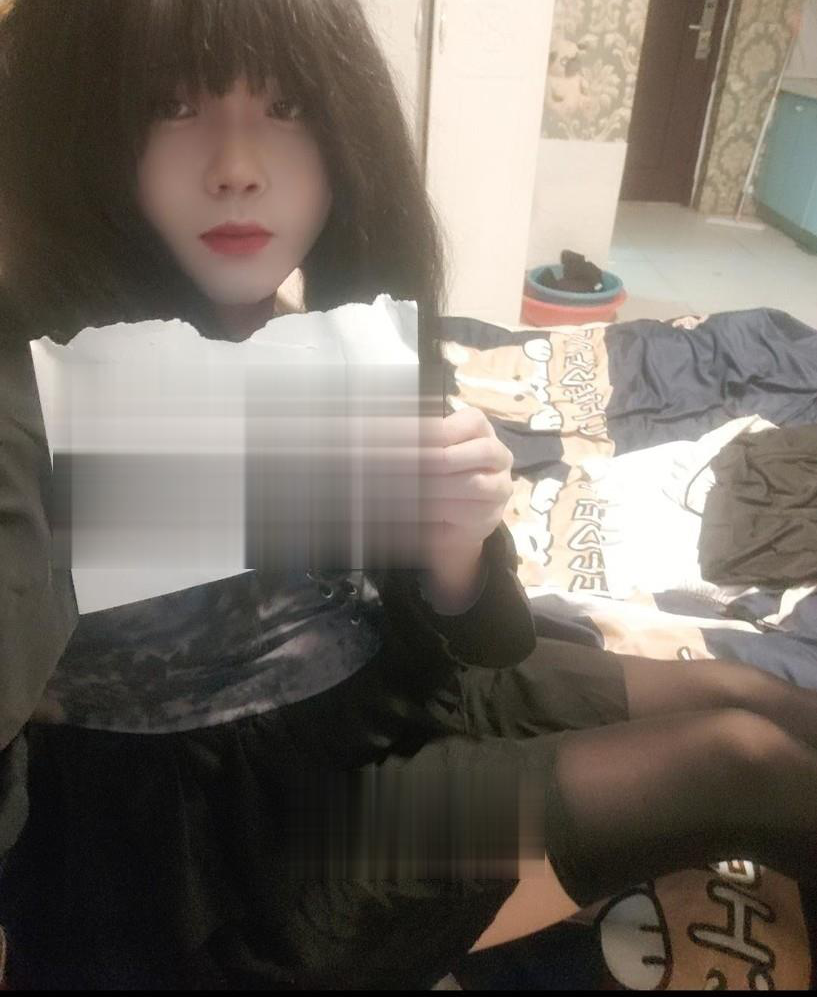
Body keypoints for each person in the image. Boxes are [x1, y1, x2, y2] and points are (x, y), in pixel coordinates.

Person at [0, 0, 816, 989]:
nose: (237, 165)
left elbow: (486, 640)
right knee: (741, 760)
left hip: (385, 700)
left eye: (287, 104)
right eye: (170, 106)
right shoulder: (35, 388)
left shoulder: (327, 336)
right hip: (259, 854)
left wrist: (458, 547)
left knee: (757, 696)